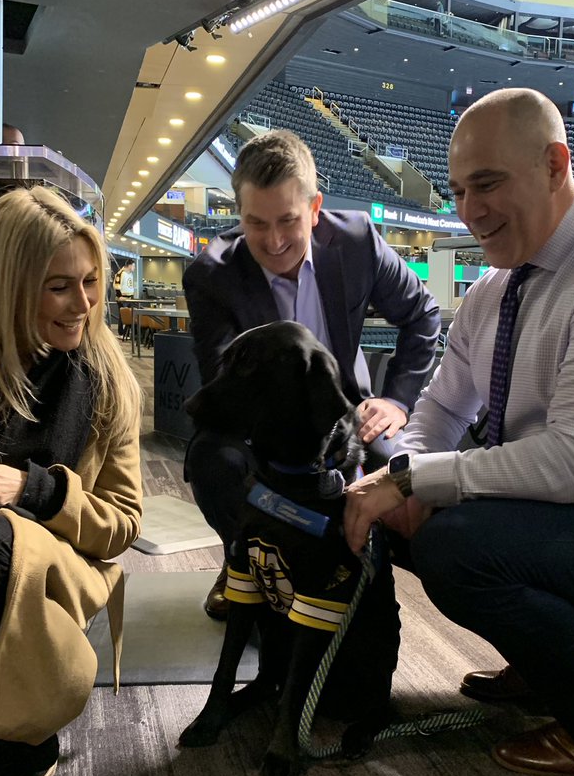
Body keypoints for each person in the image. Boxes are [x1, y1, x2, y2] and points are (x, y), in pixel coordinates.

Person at [344, 87, 574, 776]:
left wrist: (415, 480)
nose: (469, 211)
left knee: (459, 546)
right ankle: (548, 666)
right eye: (456, 191)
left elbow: (571, 466)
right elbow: (440, 411)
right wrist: (406, 472)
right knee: (399, 513)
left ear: (554, 164)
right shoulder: (489, 292)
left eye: (487, 184)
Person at [183, 128, 441, 619]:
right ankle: (248, 560)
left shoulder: (359, 241)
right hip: (260, 426)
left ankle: (363, 575)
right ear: (238, 214)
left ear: (316, 207)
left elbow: (423, 315)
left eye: (288, 220)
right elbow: (222, 383)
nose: (274, 241)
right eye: (256, 223)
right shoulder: (211, 275)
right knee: (213, 459)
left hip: (347, 412)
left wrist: (397, 402)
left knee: (408, 486)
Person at [0, 185, 143, 776]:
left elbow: (123, 522)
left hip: (55, 563)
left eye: (91, 282)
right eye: (59, 285)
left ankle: (22, 725)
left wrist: (33, 490)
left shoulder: (106, 380)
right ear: (7, 285)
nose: (84, 304)